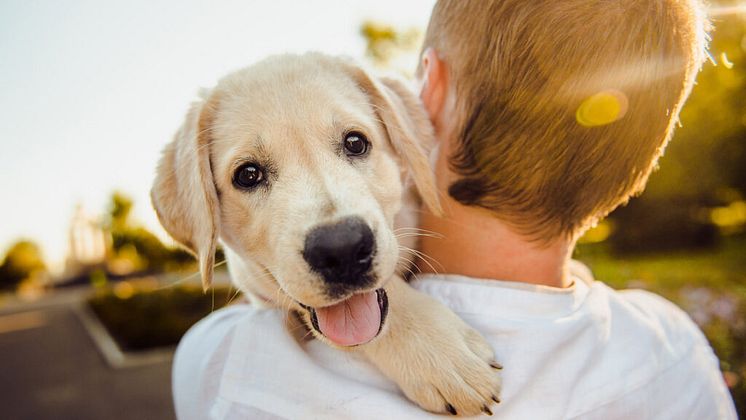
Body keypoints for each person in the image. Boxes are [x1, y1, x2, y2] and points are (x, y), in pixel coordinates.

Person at [172, 0, 737, 418]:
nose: (334, 224)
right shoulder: (674, 348)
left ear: (425, 97)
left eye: (353, 144)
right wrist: (398, 324)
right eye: (251, 175)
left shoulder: (223, 365)